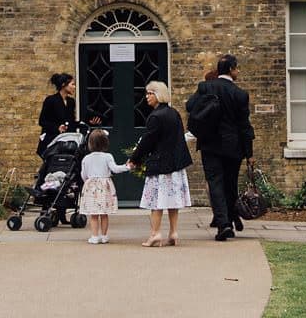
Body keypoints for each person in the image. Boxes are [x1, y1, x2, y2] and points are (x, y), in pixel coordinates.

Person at [188, 54, 253, 241]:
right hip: (234, 146)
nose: (238, 71)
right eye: (237, 68)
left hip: (210, 143)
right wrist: (249, 153)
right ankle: (230, 219)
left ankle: (223, 224)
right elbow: (244, 126)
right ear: (231, 70)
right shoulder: (240, 94)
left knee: (215, 183)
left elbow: (190, 106)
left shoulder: (205, 87)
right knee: (230, 184)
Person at [127, 79, 193, 246]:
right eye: (147, 93)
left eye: (150, 93)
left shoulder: (155, 117)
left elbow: (147, 142)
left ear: (158, 95)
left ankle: (155, 234)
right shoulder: (174, 113)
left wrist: (134, 159)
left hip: (160, 165)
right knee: (173, 201)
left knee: (157, 201)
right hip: (176, 164)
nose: (147, 96)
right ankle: (173, 232)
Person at [76, 128, 130, 244]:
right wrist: (127, 166)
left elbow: (83, 174)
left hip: (91, 186)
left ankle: (95, 236)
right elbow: (115, 169)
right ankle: (104, 236)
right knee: (104, 213)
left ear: (90, 143)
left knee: (94, 214)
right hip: (105, 187)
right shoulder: (108, 156)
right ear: (105, 142)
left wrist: (88, 181)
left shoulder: (86, 158)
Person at [37, 73, 80, 156]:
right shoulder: (50, 100)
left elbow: (71, 122)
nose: (74, 87)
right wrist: (57, 128)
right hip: (52, 142)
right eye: (72, 84)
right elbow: (42, 121)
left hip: (66, 143)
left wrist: (86, 122)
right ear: (64, 85)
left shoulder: (71, 102)